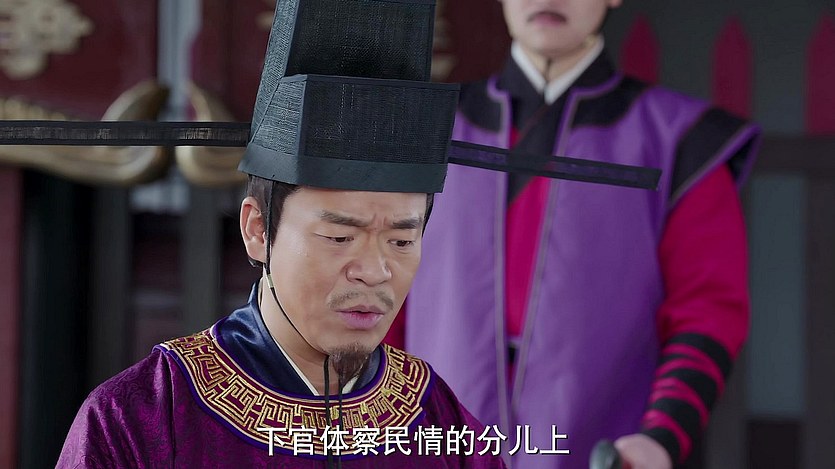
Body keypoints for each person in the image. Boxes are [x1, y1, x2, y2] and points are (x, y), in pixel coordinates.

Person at [55, 1, 514, 467]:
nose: (375, 271)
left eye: (401, 241)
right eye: (339, 237)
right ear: (257, 229)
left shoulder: (440, 422)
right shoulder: (142, 417)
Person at [392, 1, 761, 468]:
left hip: (604, 445)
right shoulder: (423, 132)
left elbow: (706, 312)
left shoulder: (680, 141)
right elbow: (383, 290)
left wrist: (660, 437)